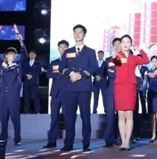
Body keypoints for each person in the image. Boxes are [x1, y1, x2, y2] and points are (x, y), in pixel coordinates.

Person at [59, 24, 97, 152]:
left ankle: (86, 144)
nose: (77, 34)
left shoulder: (90, 51)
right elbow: (61, 67)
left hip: (84, 88)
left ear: (84, 34)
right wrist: (71, 74)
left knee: (85, 117)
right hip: (70, 88)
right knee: (69, 118)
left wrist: (80, 75)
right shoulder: (67, 51)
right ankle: (68, 144)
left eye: (80, 32)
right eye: (75, 32)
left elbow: (93, 67)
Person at [113, 35, 149, 150]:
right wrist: (116, 53)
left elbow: (146, 60)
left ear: (131, 44)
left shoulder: (134, 58)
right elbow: (115, 62)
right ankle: (122, 141)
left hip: (130, 87)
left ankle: (127, 142)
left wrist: (140, 50)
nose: (125, 44)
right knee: (121, 115)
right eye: (123, 42)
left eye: (128, 42)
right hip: (120, 87)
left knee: (129, 115)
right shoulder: (118, 56)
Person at [0, 32, 27, 146]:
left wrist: (21, 41)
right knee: (3, 119)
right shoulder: (1, 65)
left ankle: (17, 139)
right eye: (10, 54)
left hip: (14, 96)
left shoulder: (18, 65)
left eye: (14, 54)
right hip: (3, 96)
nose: (13, 56)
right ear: (6, 55)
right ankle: (3, 139)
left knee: (15, 119)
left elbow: (24, 55)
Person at [44, 40, 69, 148]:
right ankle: (51, 142)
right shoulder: (54, 62)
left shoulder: (71, 63)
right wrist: (59, 74)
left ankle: (68, 143)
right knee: (54, 118)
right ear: (58, 49)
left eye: (65, 47)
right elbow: (48, 74)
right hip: (55, 94)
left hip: (67, 93)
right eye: (61, 47)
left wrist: (61, 73)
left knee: (68, 118)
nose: (62, 49)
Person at [101, 37, 121, 148]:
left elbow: (118, 71)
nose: (117, 46)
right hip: (110, 90)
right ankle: (109, 140)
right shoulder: (108, 60)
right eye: (115, 44)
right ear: (112, 46)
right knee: (110, 115)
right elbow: (104, 73)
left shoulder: (125, 59)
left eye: (119, 44)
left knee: (122, 115)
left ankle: (121, 138)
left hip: (122, 89)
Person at [23, 49, 43, 114]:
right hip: (27, 83)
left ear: (35, 55)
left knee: (36, 97)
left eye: (33, 54)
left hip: (34, 83)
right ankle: (26, 111)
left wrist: (32, 75)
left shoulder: (38, 63)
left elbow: (39, 71)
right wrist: (26, 75)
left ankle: (37, 110)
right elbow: (22, 71)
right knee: (26, 98)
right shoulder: (25, 63)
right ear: (28, 55)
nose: (31, 55)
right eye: (30, 54)